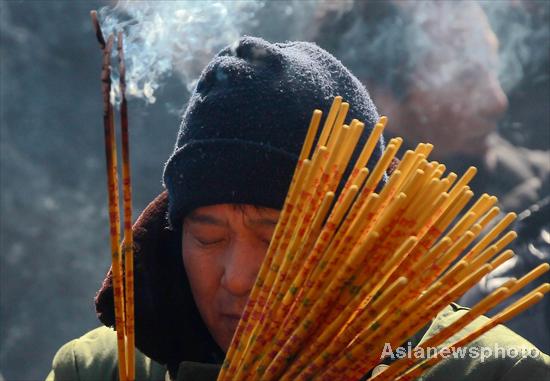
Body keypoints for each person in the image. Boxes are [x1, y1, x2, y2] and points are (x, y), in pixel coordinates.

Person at [47, 37, 549, 381]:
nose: (237, 278)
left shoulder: (489, 369)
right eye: (208, 237)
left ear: (358, 236)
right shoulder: (101, 370)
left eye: (274, 237)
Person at [314, 0, 550, 354]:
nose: (496, 100)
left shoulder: (535, 181)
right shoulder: (328, 230)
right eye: (465, 78)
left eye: (492, 64)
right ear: (376, 93)